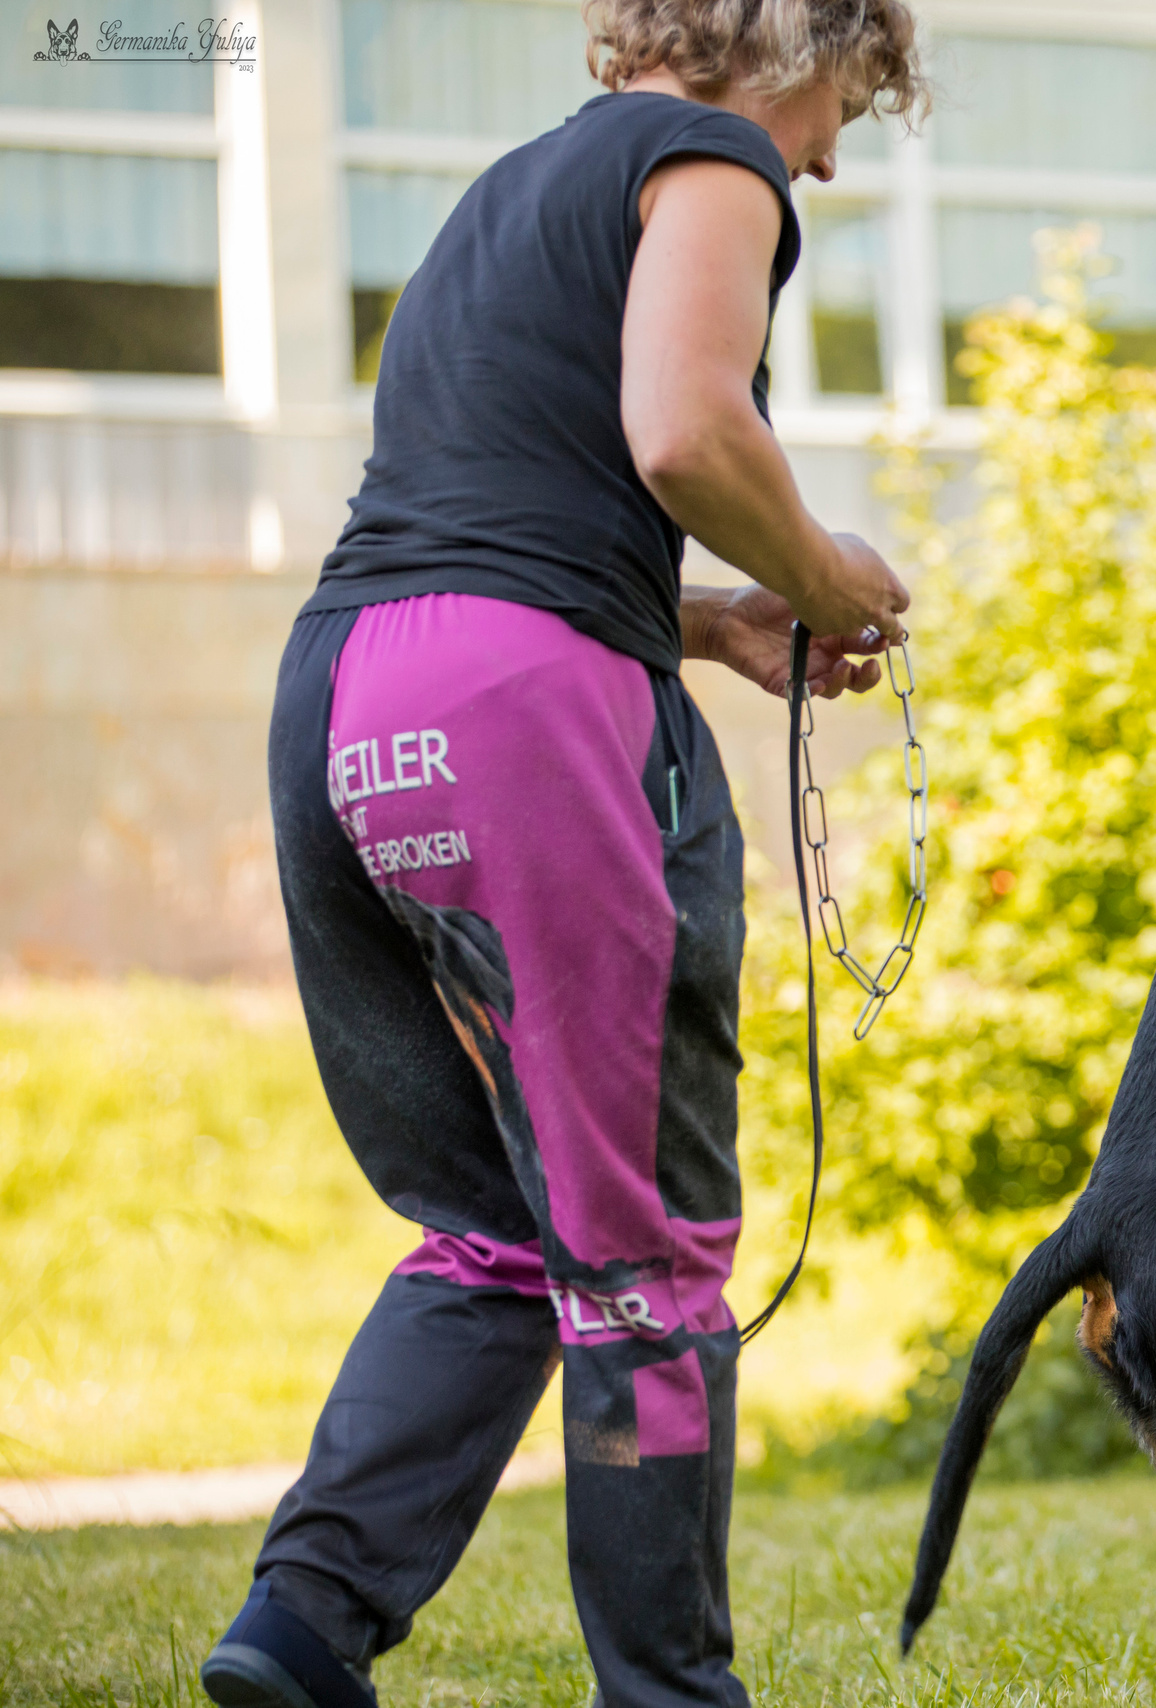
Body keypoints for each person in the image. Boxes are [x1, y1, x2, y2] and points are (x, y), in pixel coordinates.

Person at [199, 3, 922, 1704]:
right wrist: (822, 578)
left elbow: (497, 517)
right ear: (798, 43)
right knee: (645, 1248)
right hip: (522, 717)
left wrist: (709, 623)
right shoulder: (721, 160)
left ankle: (299, 1634)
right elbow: (684, 429)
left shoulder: (509, 188)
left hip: (344, 697)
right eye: (851, 102)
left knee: (488, 1224)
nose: (827, 150)